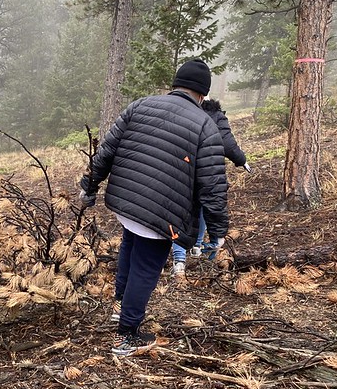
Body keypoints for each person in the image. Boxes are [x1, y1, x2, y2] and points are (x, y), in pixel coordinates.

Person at [79, 59, 229, 356]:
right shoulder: (205, 126)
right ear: (202, 94)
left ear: (176, 84)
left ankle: (121, 306)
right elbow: (212, 185)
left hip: (127, 201)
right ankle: (127, 335)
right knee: (146, 268)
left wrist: (90, 186)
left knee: (130, 248)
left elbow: (107, 150)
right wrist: (218, 230)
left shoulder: (139, 106)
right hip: (162, 212)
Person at [171, 97, 249, 279]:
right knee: (205, 207)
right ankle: (197, 248)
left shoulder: (182, 113)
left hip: (183, 171)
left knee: (181, 214)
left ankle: (179, 262)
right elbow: (228, 144)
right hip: (209, 172)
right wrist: (241, 160)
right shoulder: (215, 115)